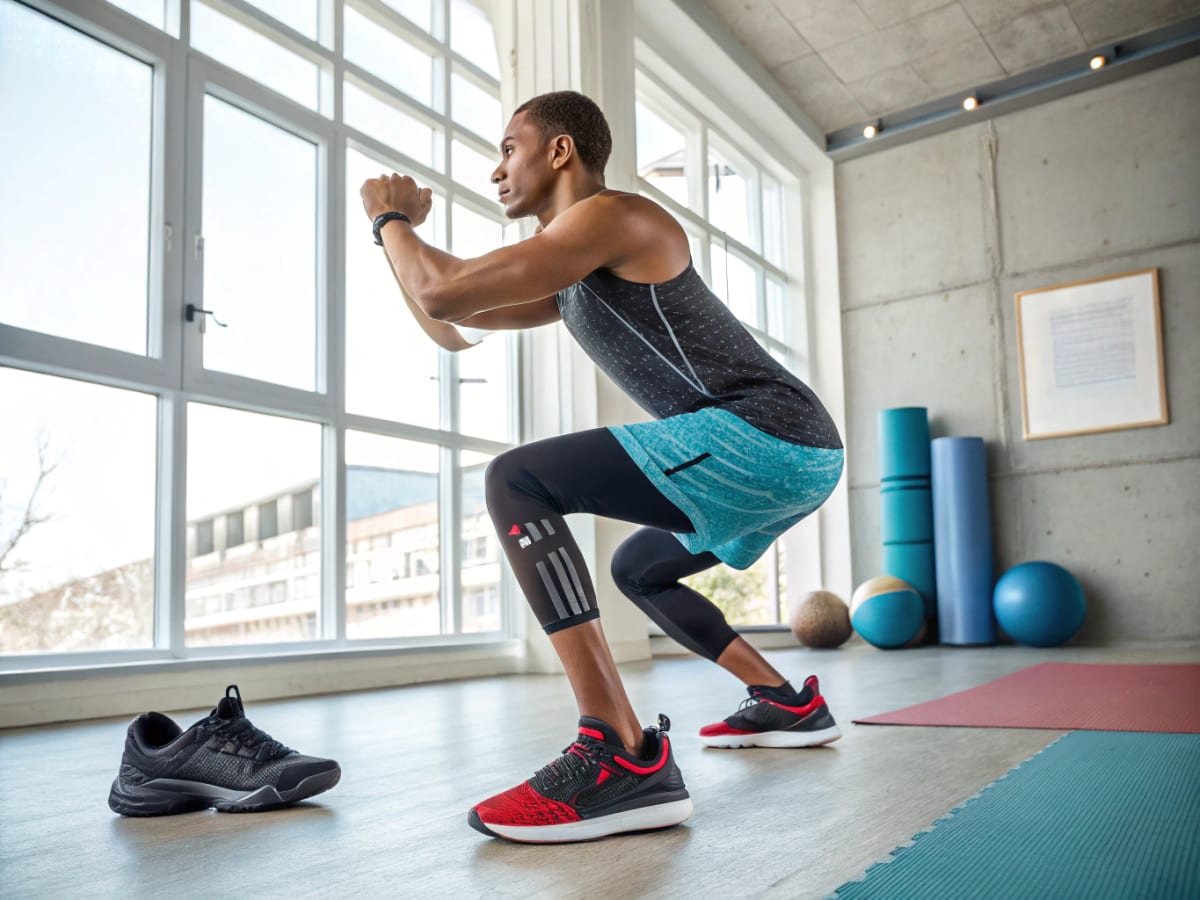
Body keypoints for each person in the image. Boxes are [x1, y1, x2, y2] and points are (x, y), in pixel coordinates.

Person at [359, 91, 845, 844]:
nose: (497, 170)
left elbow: (440, 288)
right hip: (786, 453)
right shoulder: (572, 271)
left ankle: (619, 753)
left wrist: (390, 219)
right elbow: (450, 317)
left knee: (515, 480)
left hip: (764, 432)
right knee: (639, 570)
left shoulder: (616, 216)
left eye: (508, 148)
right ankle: (782, 697)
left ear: (560, 151)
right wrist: (391, 238)